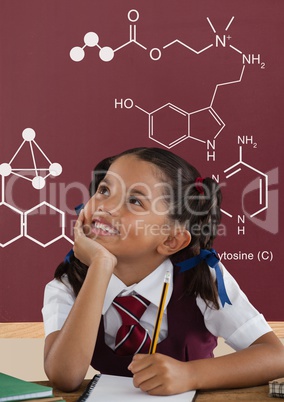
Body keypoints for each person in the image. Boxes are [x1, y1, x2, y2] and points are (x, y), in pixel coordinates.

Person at [42, 147, 284, 395]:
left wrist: (191, 375)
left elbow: (276, 356)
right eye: (104, 190)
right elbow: (64, 378)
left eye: (135, 201)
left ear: (171, 241)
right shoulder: (69, 282)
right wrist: (100, 266)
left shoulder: (202, 277)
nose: (106, 207)